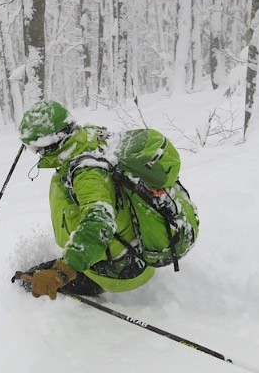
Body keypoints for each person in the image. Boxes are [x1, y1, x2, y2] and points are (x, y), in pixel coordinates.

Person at [15, 99, 196, 300]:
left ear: (49, 143)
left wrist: (62, 272)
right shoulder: (91, 138)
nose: (36, 154)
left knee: (26, 283)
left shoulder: (87, 174)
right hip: (135, 255)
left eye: (35, 148)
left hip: (119, 271)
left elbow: (99, 222)